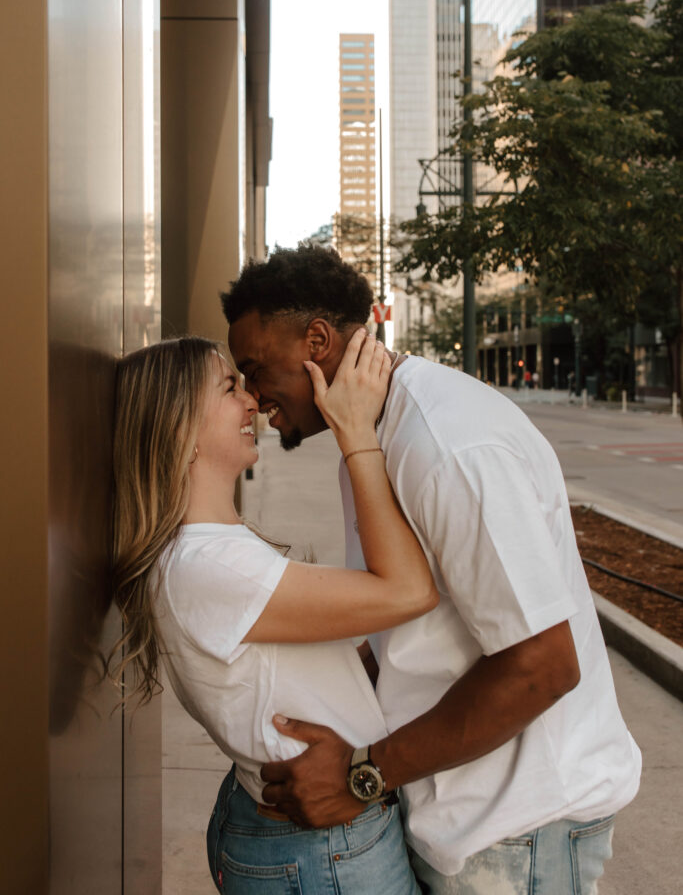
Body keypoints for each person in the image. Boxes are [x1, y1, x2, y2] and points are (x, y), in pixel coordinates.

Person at [222, 243, 642, 895]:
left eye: (255, 368)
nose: (253, 396)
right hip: (466, 816)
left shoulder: (447, 445)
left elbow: (543, 665)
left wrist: (362, 774)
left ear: (316, 339)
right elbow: (418, 628)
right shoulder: (369, 435)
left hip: (516, 828)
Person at [110, 332, 439, 895]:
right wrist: (356, 434)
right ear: (178, 431)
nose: (252, 401)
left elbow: (290, 661)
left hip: (301, 837)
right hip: (323, 849)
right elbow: (408, 591)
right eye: (229, 388)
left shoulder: (204, 551)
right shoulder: (211, 565)